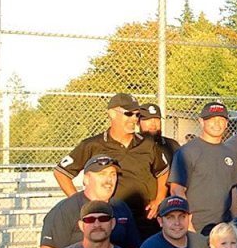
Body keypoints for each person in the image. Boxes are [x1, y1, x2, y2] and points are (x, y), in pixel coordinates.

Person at [54, 92, 169, 238]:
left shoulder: (148, 143)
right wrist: (83, 203)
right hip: (110, 219)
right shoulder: (93, 145)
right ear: (112, 114)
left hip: (145, 219)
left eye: (137, 115)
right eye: (128, 114)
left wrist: (159, 198)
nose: (134, 119)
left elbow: (163, 171)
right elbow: (61, 172)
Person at [39, 155, 141, 248]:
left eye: (113, 174)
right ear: (86, 179)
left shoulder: (121, 208)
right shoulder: (66, 209)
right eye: (102, 174)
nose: (109, 180)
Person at [168, 102, 236, 234]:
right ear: (201, 121)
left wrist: (235, 222)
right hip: (196, 227)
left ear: (227, 123)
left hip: (223, 229)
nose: (217, 123)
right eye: (212, 119)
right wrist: (188, 225)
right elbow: (176, 190)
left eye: (221, 119)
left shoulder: (230, 153)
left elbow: (233, 191)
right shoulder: (187, 151)